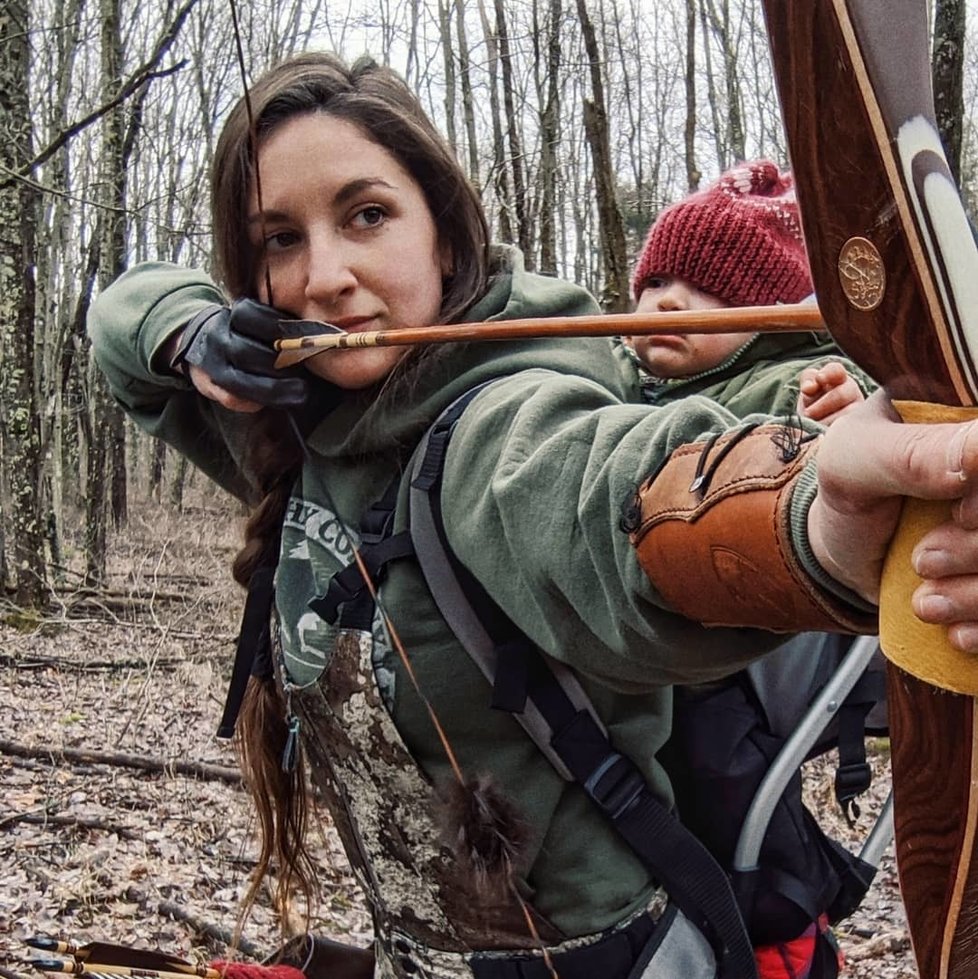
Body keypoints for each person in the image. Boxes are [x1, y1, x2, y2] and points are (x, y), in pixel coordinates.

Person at [87, 52, 978, 979]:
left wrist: (826, 524)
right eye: (278, 238)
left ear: (444, 228)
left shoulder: (498, 421)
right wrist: (189, 334)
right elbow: (119, 316)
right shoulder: (288, 426)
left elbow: (612, 507)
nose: (324, 276)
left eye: (367, 215)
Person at [625, 161, 883, 979]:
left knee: (719, 779)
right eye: (653, 280)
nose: (663, 300)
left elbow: (850, 425)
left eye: (701, 288)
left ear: (769, 313)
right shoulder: (615, 391)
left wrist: (842, 418)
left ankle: (781, 935)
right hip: (629, 653)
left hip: (739, 668)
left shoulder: (783, 380)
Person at [624, 160, 872, 425]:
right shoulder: (607, 368)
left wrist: (831, 410)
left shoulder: (791, 386)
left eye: (706, 287)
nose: (669, 300)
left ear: (766, 320)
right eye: (656, 282)